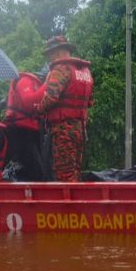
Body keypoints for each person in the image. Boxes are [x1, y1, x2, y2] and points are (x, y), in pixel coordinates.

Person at [34, 36, 93, 183]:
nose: (49, 58)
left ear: (58, 52)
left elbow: (51, 98)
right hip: (80, 128)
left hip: (63, 129)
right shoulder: (85, 72)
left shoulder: (60, 69)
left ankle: (68, 205)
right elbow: (90, 101)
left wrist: (38, 109)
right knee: (75, 170)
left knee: (64, 172)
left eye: (50, 54)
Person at [4, 65, 48, 181]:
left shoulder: (41, 85)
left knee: (38, 169)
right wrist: (48, 84)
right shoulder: (26, 80)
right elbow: (29, 103)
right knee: (37, 171)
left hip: (32, 131)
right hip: (19, 130)